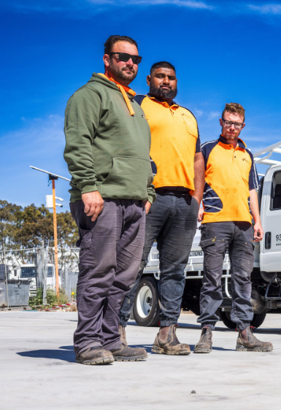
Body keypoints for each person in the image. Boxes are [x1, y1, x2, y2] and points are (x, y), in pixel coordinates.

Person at [63, 35, 154, 365]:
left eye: (135, 59)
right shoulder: (89, 95)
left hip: (134, 202)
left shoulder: (135, 105)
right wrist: (88, 186)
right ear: (107, 59)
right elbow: (78, 143)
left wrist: (148, 192)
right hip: (101, 198)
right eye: (123, 57)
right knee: (98, 271)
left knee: (124, 276)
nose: (130, 63)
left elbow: (144, 156)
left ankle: (110, 339)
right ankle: (88, 341)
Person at [116, 61, 204, 356]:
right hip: (148, 198)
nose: (166, 81)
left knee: (175, 271)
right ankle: (116, 333)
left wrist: (197, 199)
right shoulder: (138, 104)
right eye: (160, 76)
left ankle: (167, 335)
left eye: (171, 77)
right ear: (149, 79)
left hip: (184, 202)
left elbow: (197, 160)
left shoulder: (188, 115)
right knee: (132, 266)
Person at [192, 103, 270, 353]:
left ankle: (245, 334)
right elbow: (196, 179)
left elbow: (252, 190)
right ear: (221, 122)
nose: (232, 127)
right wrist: (198, 204)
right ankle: (206, 332)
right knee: (212, 279)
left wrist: (257, 221)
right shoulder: (207, 149)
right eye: (228, 122)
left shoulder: (248, 154)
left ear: (243, 126)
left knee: (243, 280)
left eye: (236, 124)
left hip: (244, 225)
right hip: (215, 222)